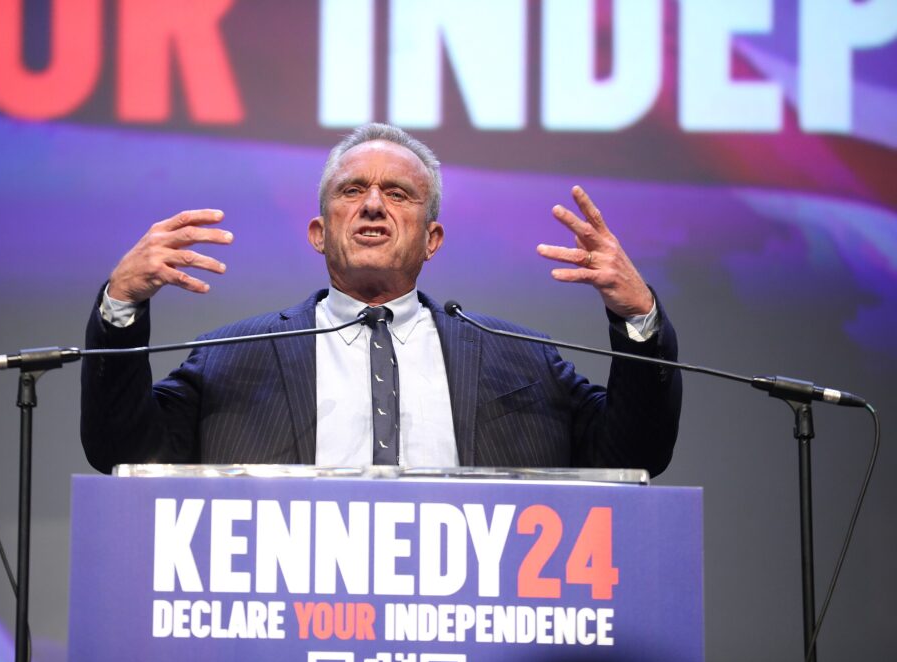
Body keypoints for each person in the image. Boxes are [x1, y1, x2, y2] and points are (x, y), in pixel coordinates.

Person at [81, 123, 681, 475]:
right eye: (352, 191)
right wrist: (121, 308)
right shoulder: (232, 356)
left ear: (433, 239)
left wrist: (637, 317)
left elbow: (634, 457)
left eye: (398, 193)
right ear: (319, 233)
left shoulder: (521, 360)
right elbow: (122, 454)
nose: (373, 204)